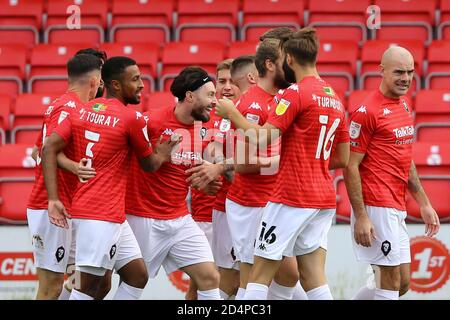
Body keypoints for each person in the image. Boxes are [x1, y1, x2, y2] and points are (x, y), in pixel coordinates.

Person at [214, 27, 350, 300]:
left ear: (289, 60)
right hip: (323, 198)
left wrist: (230, 112)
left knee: (257, 275)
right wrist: (309, 161)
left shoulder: (295, 93)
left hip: (291, 196)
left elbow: (262, 137)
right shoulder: (334, 97)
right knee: (313, 277)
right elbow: (342, 158)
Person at [42, 56, 177, 300]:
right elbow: (150, 165)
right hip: (99, 216)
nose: (142, 85)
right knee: (85, 286)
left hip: (105, 212)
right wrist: (165, 152)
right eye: (135, 79)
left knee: (137, 275)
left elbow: (48, 147)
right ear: (115, 84)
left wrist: (54, 196)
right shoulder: (131, 118)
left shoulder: (83, 111)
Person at [344, 46, 440, 300]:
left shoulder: (404, 107)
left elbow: (405, 159)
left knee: (403, 283)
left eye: (410, 72)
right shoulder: (366, 112)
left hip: (396, 205)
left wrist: (424, 203)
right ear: (381, 71)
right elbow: (350, 165)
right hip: (377, 206)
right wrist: (362, 216)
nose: (406, 78)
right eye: (399, 72)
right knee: (389, 282)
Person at [125, 66, 222, 300]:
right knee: (134, 282)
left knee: (210, 278)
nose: (215, 101)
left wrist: (204, 179)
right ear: (190, 96)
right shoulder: (151, 122)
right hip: (143, 217)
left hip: (179, 219)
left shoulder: (207, 127)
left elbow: (191, 164)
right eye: (210, 95)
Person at [27, 54, 101, 300]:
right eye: (100, 79)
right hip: (50, 205)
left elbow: (39, 149)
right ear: (93, 80)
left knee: (80, 277)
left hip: (67, 206)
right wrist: (73, 168)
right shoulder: (68, 107)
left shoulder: (66, 105)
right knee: (51, 286)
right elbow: (48, 148)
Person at [187, 59, 242, 300]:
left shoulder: (248, 117)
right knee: (203, 285)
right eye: (222, 81)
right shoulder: (205, 117)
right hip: (207, 213)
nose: (227, 87)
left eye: (232, 81)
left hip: (236, 212)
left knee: (239, 283)